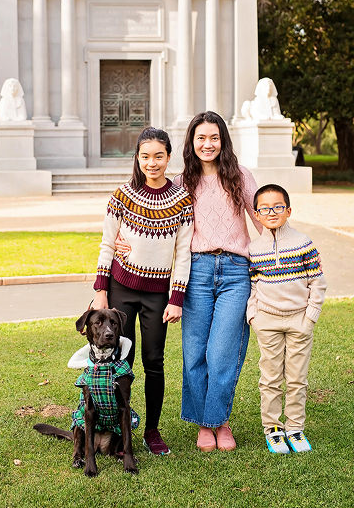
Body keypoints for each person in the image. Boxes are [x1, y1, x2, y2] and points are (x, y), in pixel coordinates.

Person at [91, 127, 194, 456]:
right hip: (121, 289)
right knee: (122, 360)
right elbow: (108, 244)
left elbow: (184, 254)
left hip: (158, 295)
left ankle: (151, 430)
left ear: (168, 157)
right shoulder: (121, 196)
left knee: (154, 361)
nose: (152, 163)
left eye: (159, 156)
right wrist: (100, 291)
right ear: (137, 157)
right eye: (146, 156)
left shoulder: (182, 201)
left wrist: (176, 298)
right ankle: (120, 426)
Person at [177, 111, 262, 452]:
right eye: (201, 138)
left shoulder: (239, 176)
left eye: (214, 137)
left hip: (235, 272)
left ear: (223, 140)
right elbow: (164, 228)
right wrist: (126, 239)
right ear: (192, 142)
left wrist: (288, 247)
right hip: (196, 272)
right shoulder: (183, 181)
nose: (207, 144)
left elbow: (262, 219)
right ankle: (204, 424)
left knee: (223, 352)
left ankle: (220, 421)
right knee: (196, 352)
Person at [247, 184, 327, 454]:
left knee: (296, 378)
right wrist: (254, 317)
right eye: (264, 208)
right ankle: (273, 429)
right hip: (267, 321)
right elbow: (253, 285)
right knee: (269, 378)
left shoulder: (303, 242)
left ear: (288, 210)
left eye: (278, 207)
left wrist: (310, 317)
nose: (272, 212)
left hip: (298, 321)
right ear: (256, 214)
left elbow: (317, 282)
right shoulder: (253, 248)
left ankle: (295, 427)